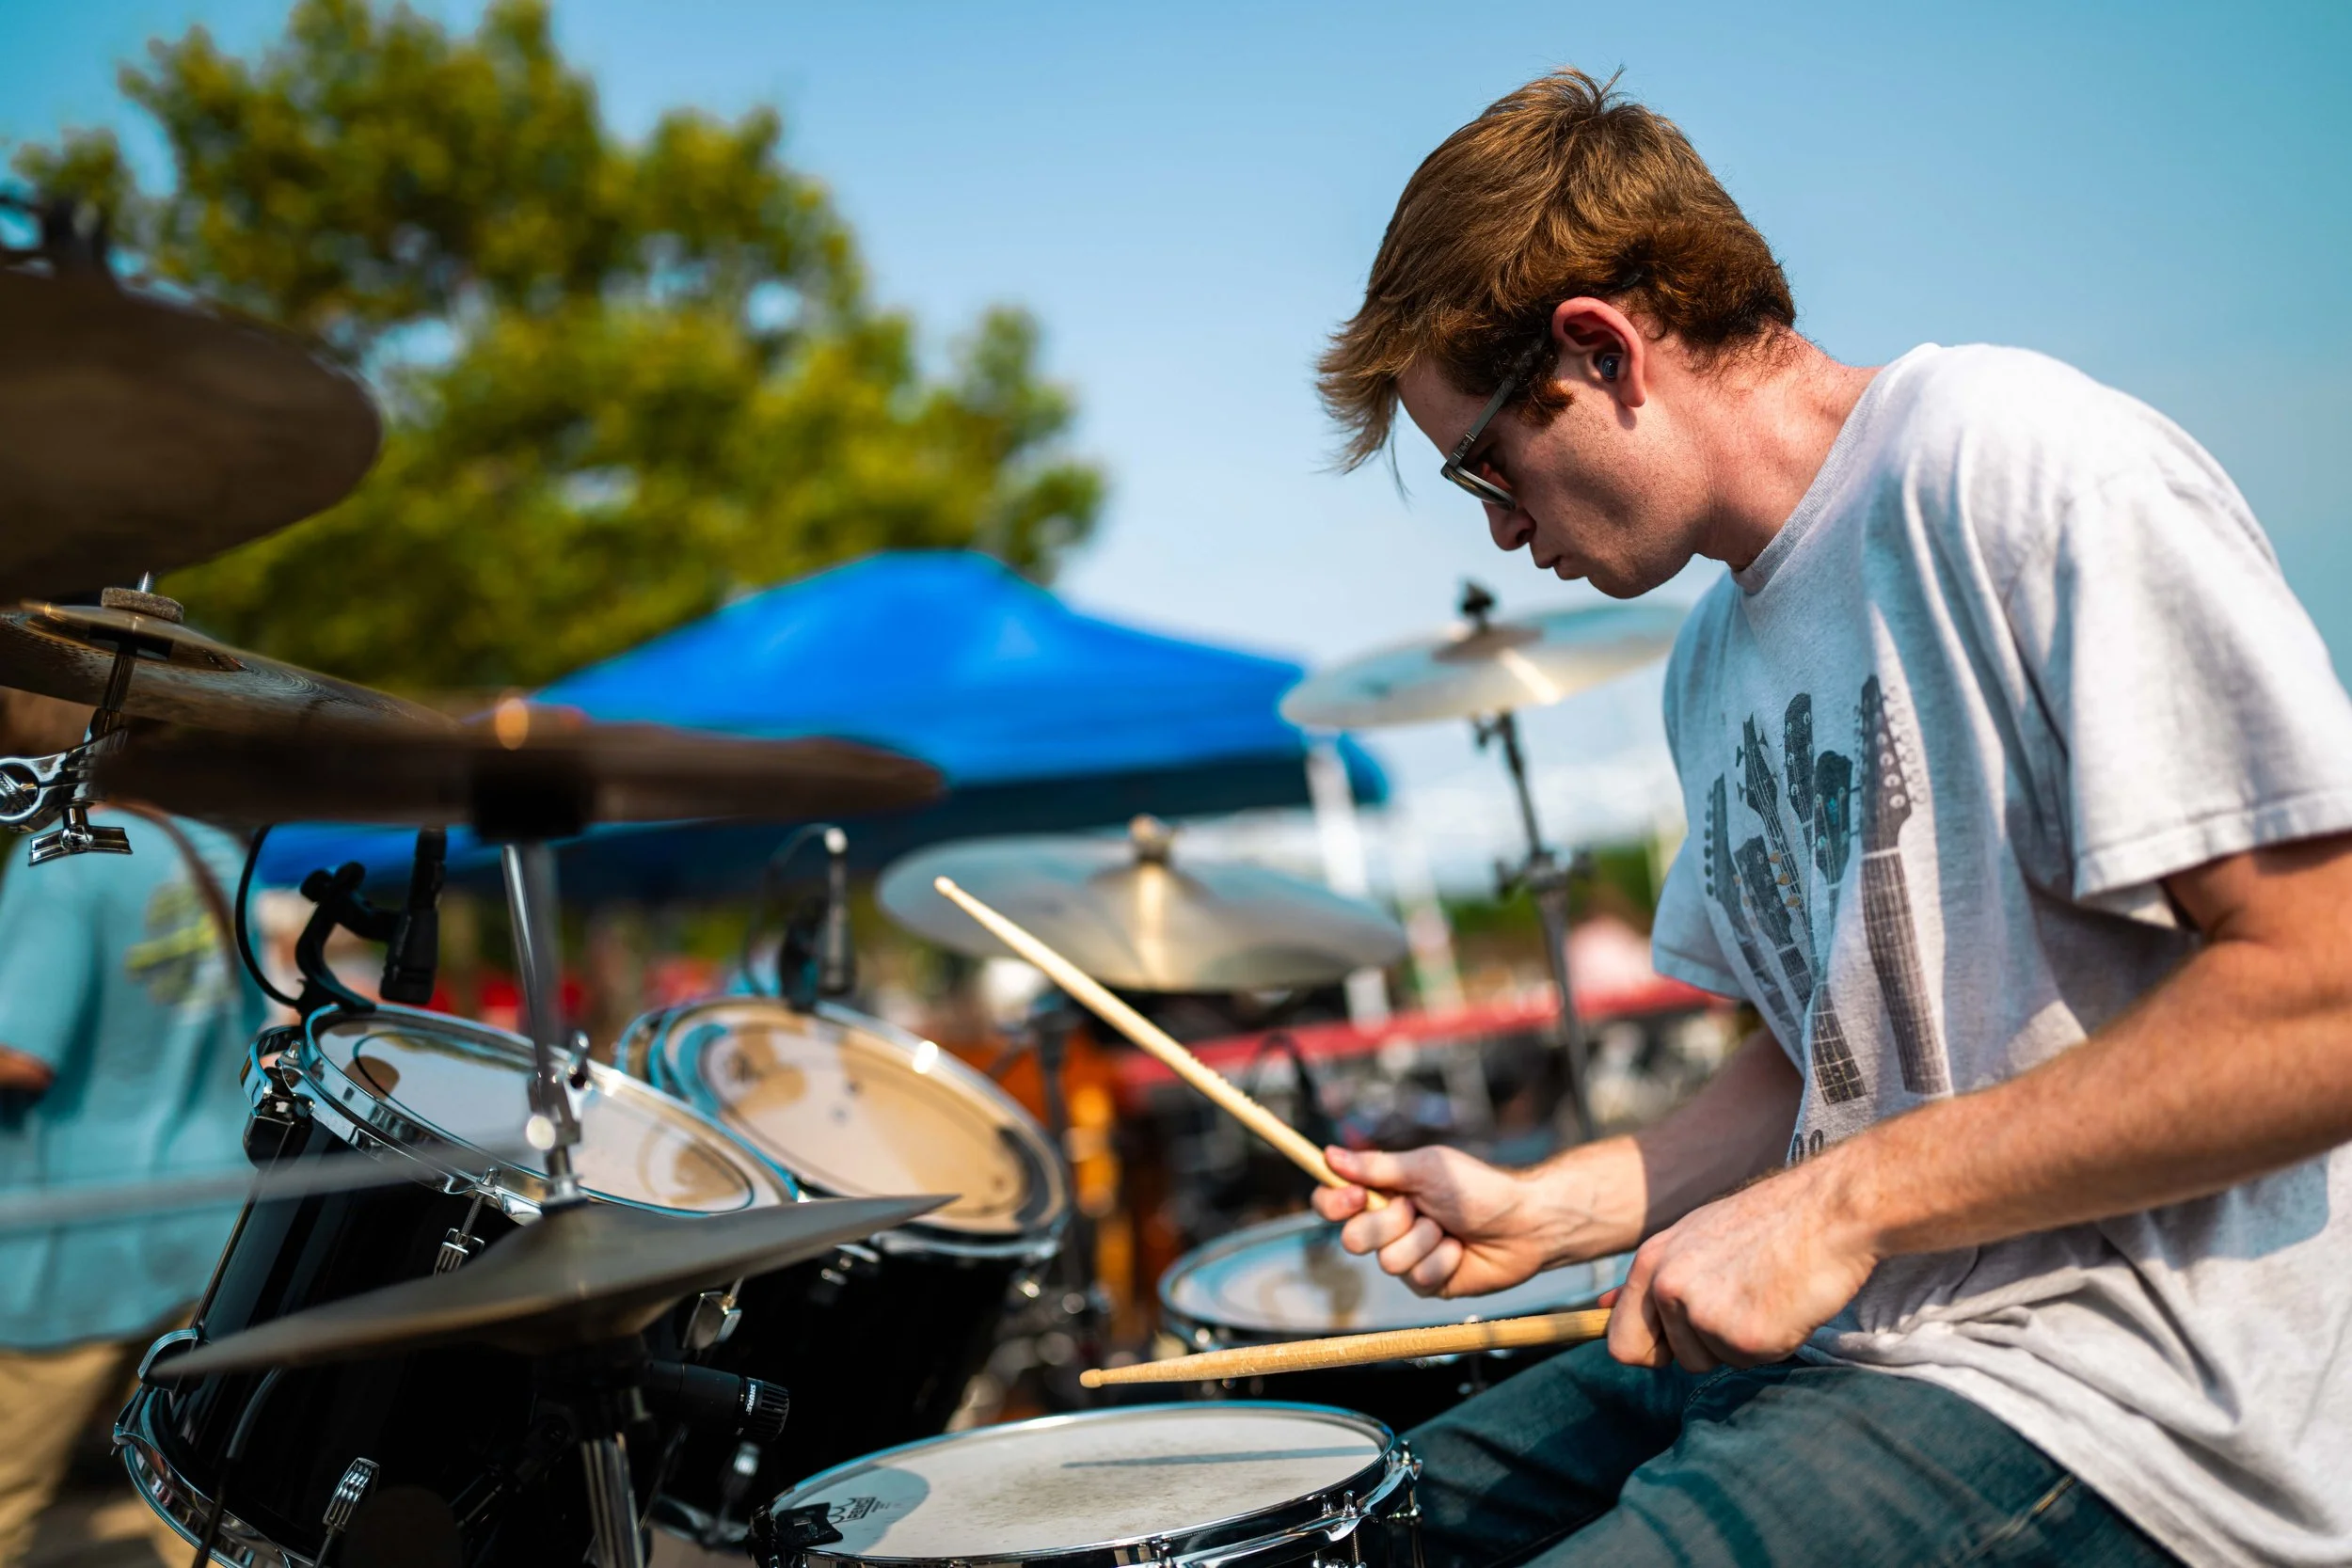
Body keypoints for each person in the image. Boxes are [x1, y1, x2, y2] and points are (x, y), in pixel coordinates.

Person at [1311, 69, 2352, 1567]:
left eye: (1484, 459)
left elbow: (2321, 992)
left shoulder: (2011, 468)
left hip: (2113, 1393)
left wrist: (1840, 1207)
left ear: (1599, 350)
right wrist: (1551, 1206)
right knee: (1362, 1523)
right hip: (1856, 1347)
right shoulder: (1710, 661)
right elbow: (1823, 1062)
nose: (1497, 523)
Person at [0, 690, 272, 1567]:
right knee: (193, 1507)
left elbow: (20, 1056)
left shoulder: (62, 855)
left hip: (73, 1243)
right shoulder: (221, 854)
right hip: (210, 1231)